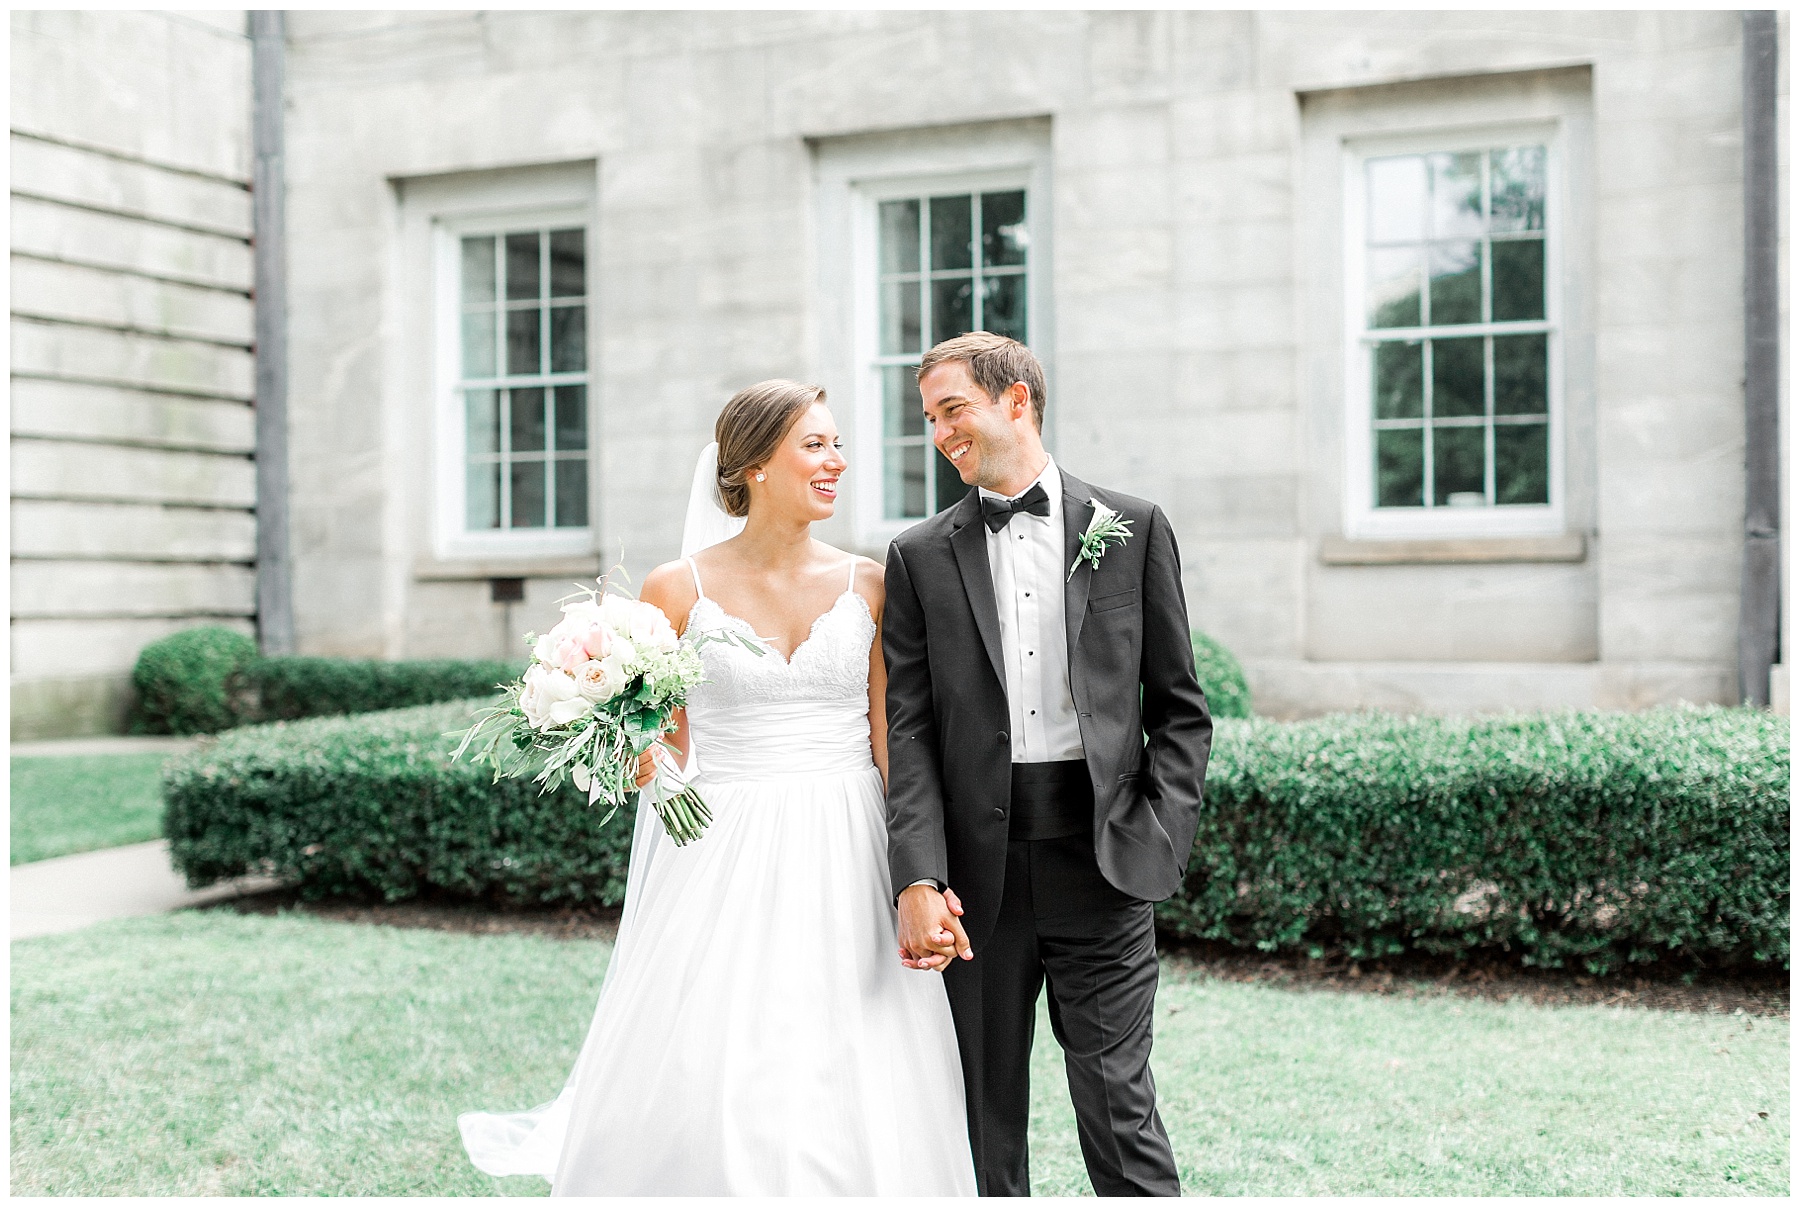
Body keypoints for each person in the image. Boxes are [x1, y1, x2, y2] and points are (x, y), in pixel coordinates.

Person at [458, 380, 976, 1196]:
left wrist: (922, 874)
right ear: (756, 464)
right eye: (815, 445)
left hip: (850, 835)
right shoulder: (677, 587)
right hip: (723, 845)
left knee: (853, 1045)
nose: (837, 461)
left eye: (837, 444)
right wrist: (621, 741)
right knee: (726, 1048)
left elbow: (892, 742)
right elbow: (664, 750)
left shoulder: (871, 583)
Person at [883, 332, 1213, 1196]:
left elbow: (1181, 708)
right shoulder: (917, 557)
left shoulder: (1133, 528)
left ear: (1016, 400)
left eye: (952, 410)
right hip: (974, 885)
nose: (939, 434)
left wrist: (1160, 831)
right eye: (930, 418)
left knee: (1118, 1104)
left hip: (1102, 863)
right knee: (980, 1121)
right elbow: (909, 732)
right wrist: (917, 874)